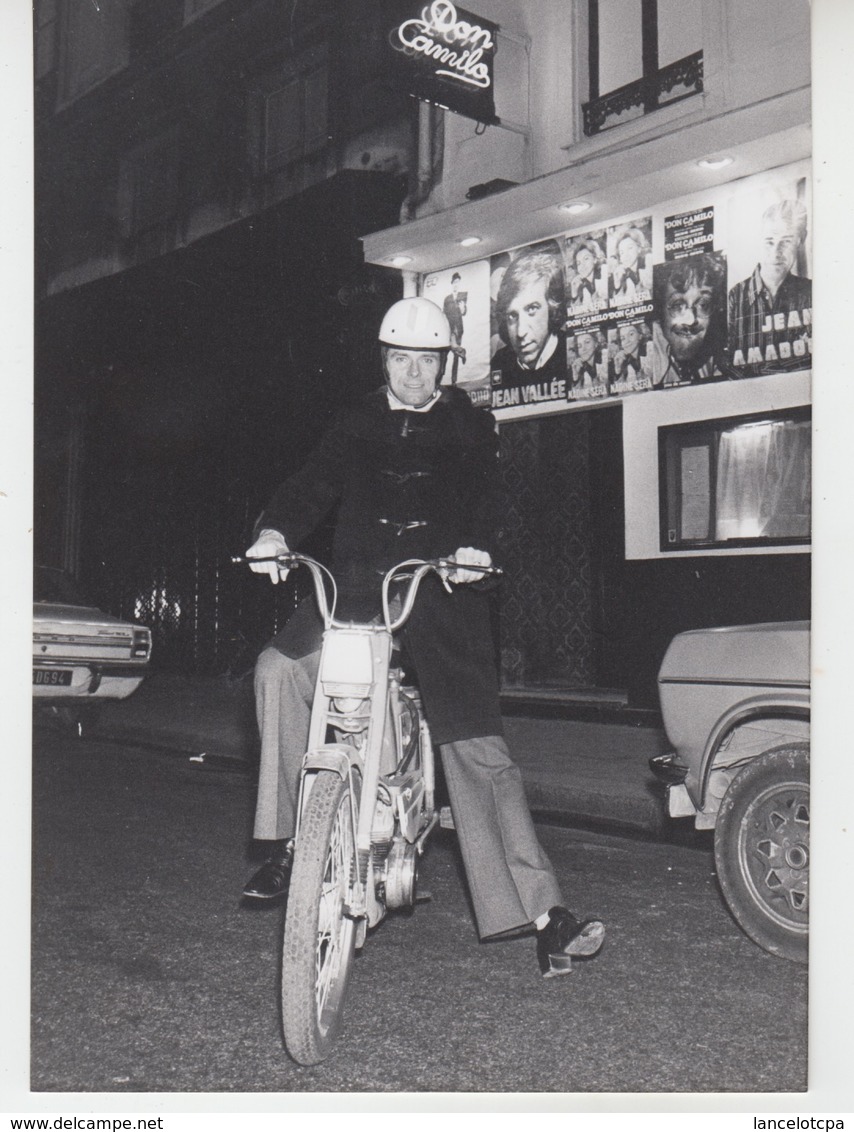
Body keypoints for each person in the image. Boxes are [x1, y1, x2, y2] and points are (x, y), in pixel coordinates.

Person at [242, 297, 605, 978]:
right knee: (275, 670)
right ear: (385, 361)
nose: (413, 373)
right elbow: (312, 483)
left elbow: (489, 497)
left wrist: (475, 550)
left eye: (427, 360)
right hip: (350, 591)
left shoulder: (470, 426)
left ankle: (546, 915)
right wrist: (274, 534)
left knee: (478, 750)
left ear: (446, 363)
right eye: (401, 358)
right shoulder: (354, 423)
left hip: (439, 594)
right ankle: (292, 838)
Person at [727, 199, 812, 374]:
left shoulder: (811, 292)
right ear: (758, 240)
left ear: (801, 240)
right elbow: (725, 362)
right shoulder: (735, 296)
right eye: (769, 241)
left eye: (786, 241)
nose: (776, 253)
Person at [490, 247, 567, 389]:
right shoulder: (499, 364)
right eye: (512, 316)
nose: (520, 332)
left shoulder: (570, 352)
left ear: (552, 309)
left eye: (532, 309)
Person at [650, 252, 729, 387]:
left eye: (703, 305)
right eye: (677, 305)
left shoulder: (713, 355)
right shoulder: (649, 363)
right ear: (659, 308)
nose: (691, 320)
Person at [608, 226, 652, 305]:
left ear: (639, 248)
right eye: (622, 252)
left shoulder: (649, 262)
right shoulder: (619, 274)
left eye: (630, 248)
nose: (626, 255)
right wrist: (617, 286)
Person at [567, 238, 606, 314]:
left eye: (586, 259)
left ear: (594, 259)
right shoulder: (579, 286)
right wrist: (574, 295)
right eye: (579, 263)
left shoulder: (605, 273)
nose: (582, 265)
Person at [442, 272, 467, 385]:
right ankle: (441, 376)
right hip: (449, 328)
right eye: (455, 282)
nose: (456, 285)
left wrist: (463, 308)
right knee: (445, 352)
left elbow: (464, 312)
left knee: (455, 358)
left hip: (459, 328)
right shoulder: (447, 298)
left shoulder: (462, 297)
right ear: (452, 284)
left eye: (458, 282)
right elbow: (443, 312)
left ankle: (454, 381)